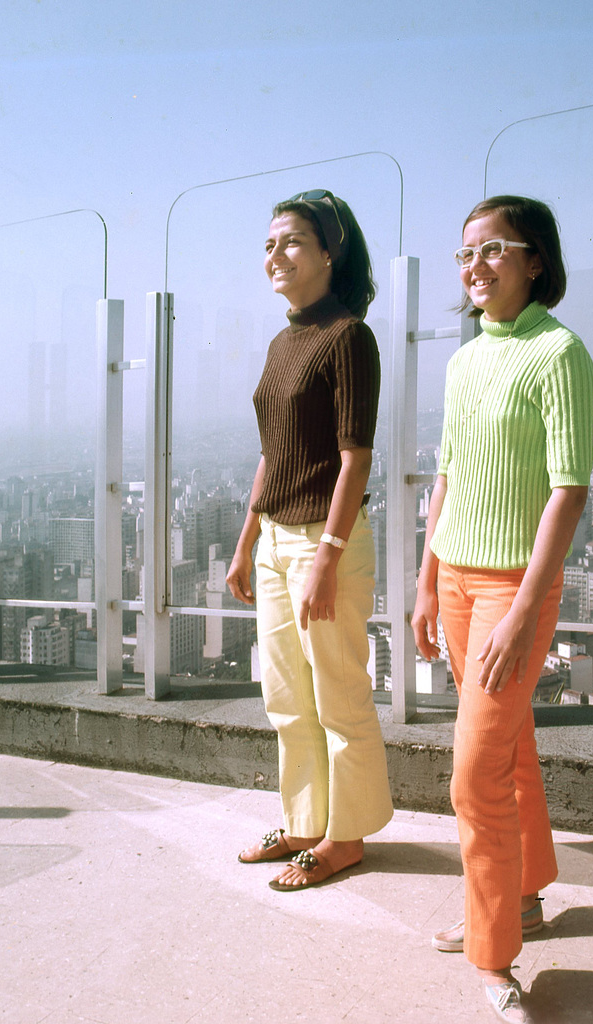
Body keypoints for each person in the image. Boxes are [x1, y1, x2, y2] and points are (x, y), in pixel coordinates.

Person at [411, 196, 593, 1022]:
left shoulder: (559, 354)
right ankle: (522, 896)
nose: (473, 267)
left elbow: (569, 490)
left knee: (473, 779)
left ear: (535, 261)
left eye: (493, 251)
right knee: (509, 743)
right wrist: (424, 579)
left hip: (510, 589)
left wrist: (524, 609)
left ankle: (493, 962)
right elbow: (445, 479)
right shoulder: (462, 361)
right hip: (453, 579)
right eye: (464, 256)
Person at [227, 189, 393, 891]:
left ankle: (344, 836)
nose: (276, 255)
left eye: (291, 241)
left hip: (326, 540)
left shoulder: (347, 336)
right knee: (286, 694)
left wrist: (326, 554)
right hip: (274, 540)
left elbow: (355, 457)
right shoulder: (282, 341)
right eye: (269, 243)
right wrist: (245, 539)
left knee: (338, 695)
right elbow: (274, 452)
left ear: (331, 251)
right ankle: (301, 824)